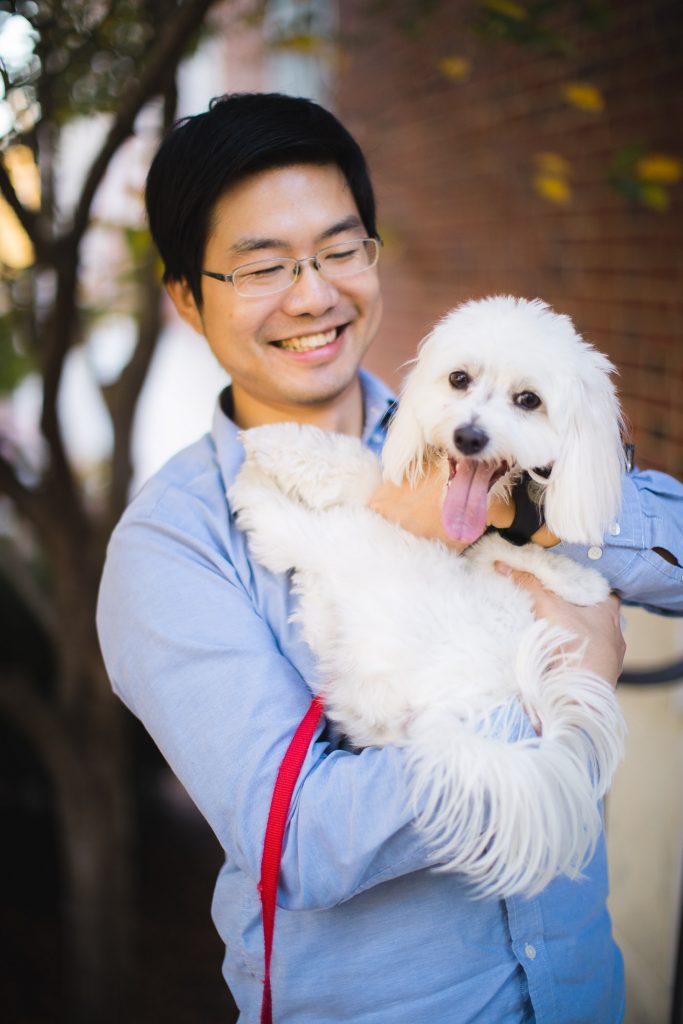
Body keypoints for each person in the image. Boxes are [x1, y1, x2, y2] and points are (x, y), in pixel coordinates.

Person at [96, 92, 683, 1023]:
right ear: (186, 298)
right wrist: (557, 696)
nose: (313, 293)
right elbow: (301, 842)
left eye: (339, 249)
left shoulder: (482, 416)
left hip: (579, 995)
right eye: (262, 267)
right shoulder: (171, 552)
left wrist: (522, 509)